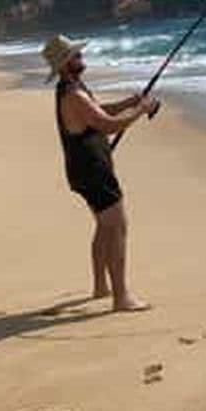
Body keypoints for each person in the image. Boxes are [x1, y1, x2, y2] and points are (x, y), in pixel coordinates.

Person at [42, 34, 159, 312]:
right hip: (93, 171)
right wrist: (141, 110)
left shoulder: (73, 87)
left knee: (104, 226)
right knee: (117, 226)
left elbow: (98, 111)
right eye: (75, 56)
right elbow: (107, 126)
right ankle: (122, 298)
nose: (81, 59)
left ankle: (100, 287)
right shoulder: (73, 94)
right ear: (63, 65)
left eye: (79, 54)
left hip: (84, 169)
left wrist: (129, 102)